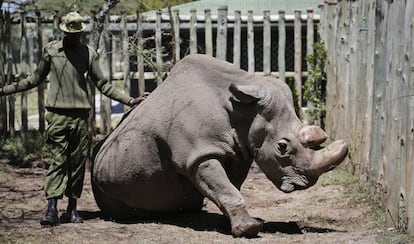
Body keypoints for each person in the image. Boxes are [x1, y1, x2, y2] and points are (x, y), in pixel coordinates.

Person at [0, 11, 148, 226]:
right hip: (57, 116)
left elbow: (103, 84)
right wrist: (5, 90)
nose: (76, 36)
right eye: (72, 33)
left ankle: (72, 209)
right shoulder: (51, 51)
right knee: (58, 162)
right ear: (64, 31)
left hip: (80, 117)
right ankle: (51, 209)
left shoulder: (89, 54)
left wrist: (130, 100)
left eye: (79, 33)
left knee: (77, 164)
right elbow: (34, 79)